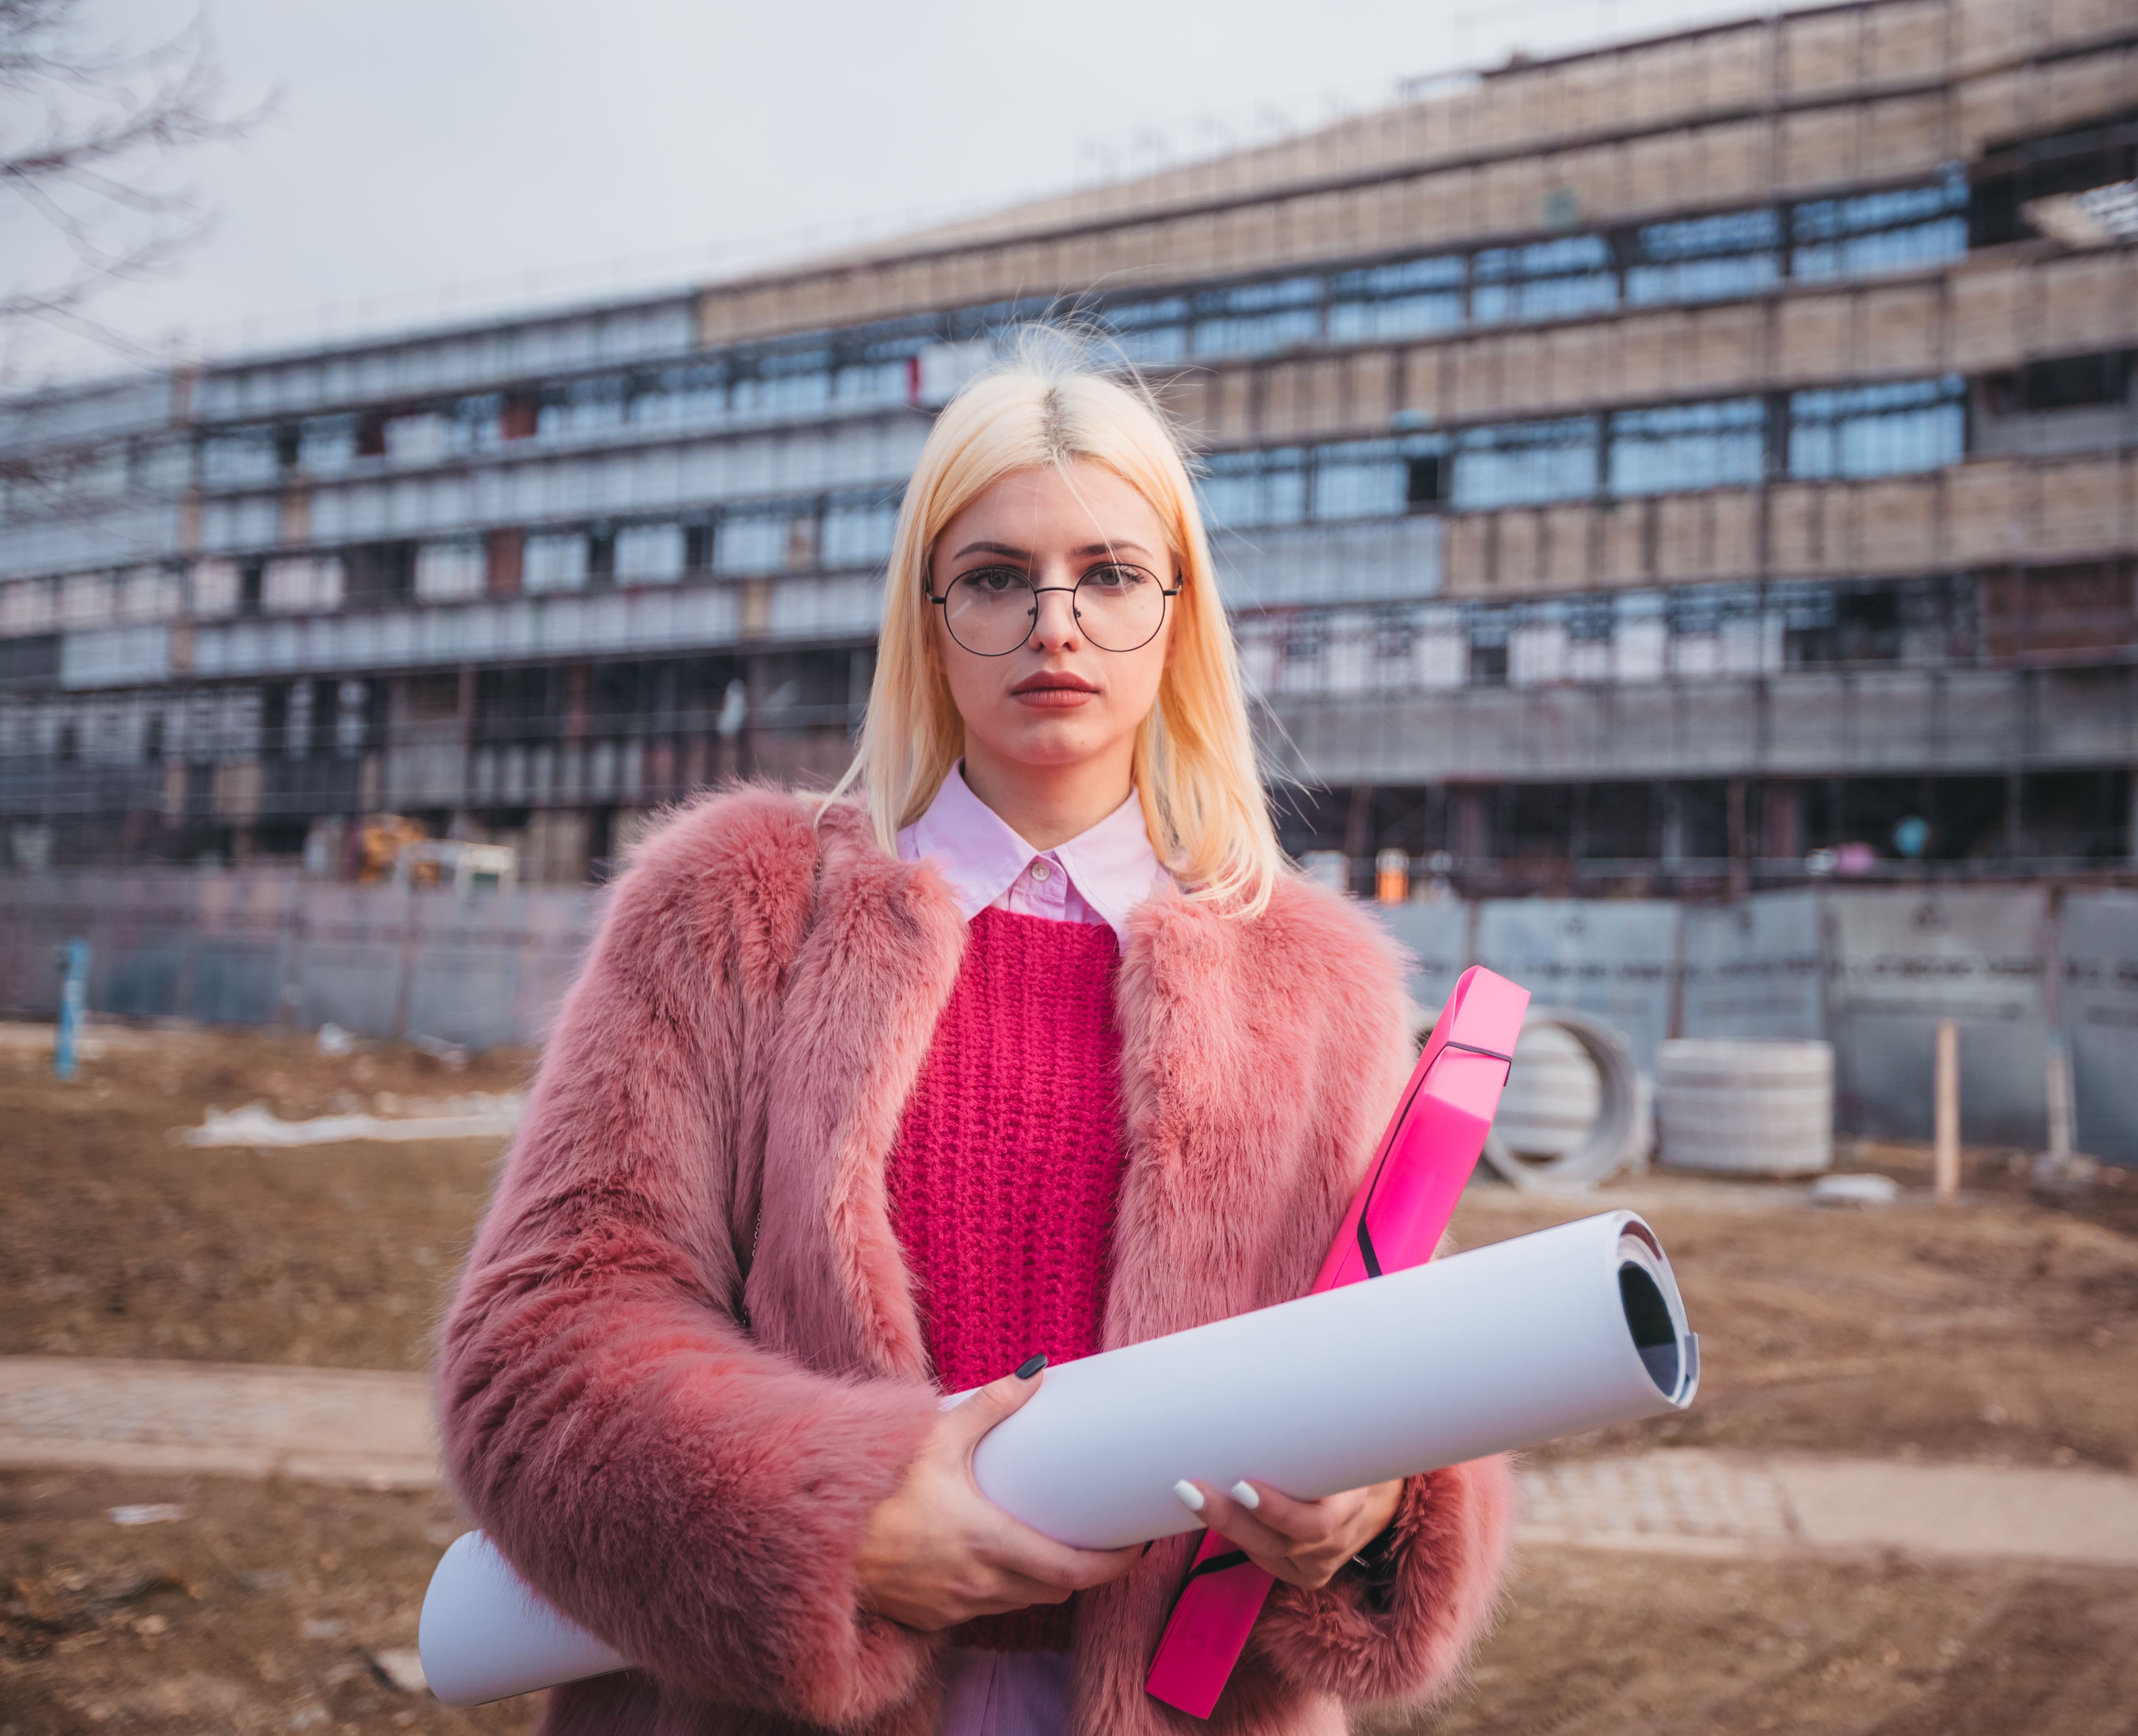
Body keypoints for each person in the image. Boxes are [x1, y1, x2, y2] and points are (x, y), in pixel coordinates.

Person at [436, 328, 1511, 1736]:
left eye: (1110, 576)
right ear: (928, 619)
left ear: (1178, 615)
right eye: (997, 579)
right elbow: (544, 1338)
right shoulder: (739, 909)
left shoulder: (1314, 981)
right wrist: (829, 1525)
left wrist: (1379, 1510)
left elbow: (1385, 1359)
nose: (1054, 624)